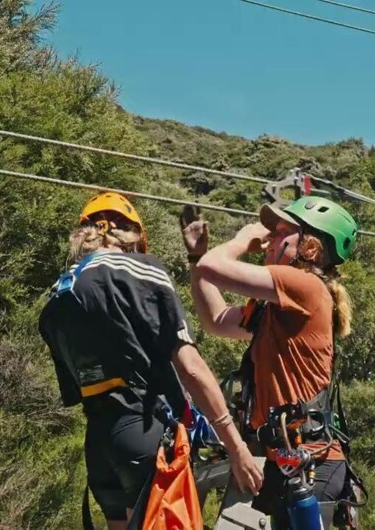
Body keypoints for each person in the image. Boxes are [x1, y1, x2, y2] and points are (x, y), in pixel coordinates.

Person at [39, 192, 262, 530]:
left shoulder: (61, 291)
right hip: (144, 430)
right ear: (133, 237)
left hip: (100, 442)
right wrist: (236, 448)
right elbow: (190, 367)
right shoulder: (142, 270)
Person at [182, 196, 358, 528]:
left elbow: (213, 268)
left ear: (310, 249)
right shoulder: (275, 308)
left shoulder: (306, 286)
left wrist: (241, 240)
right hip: (288, 461)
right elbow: (216, 320)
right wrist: (196, 259)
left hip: (312, 463)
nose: (269, 240)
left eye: (281, 233)